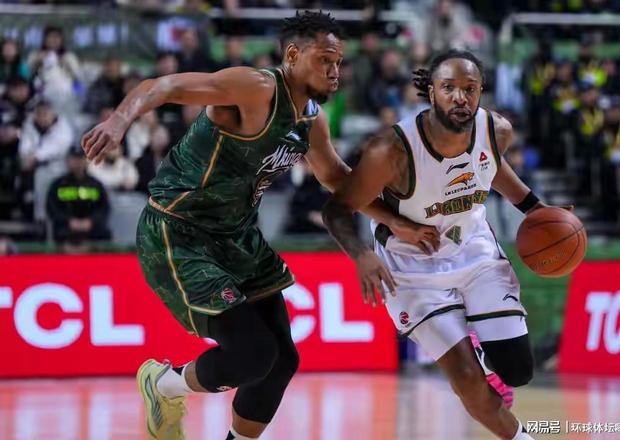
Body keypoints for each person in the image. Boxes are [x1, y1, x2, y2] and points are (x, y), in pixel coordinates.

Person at [81, 11, 438, 440]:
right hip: (180, 231)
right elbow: (165, 86)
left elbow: (337, 179)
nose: (334, 71)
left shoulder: (311, 120)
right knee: (253, 355)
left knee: (282, 361)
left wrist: (396, 222)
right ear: (293, 55)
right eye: (325, 60)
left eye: (339, 62)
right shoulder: (255, 87)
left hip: (238, 236)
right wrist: (120, 120)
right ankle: (162, 384)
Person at [322, 50, 567, 440]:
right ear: (432, 92)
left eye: (470, 88)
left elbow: (490, 166)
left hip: (474, 252)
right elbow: (337, 209)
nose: (460, 97)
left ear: (481, 91)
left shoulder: (497, 130)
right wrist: (363, 253)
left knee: (518, 371)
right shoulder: (392, 150)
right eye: (449, 87)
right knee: (468, 379)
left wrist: (536, 209)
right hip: (411, 268)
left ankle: (479, 344)